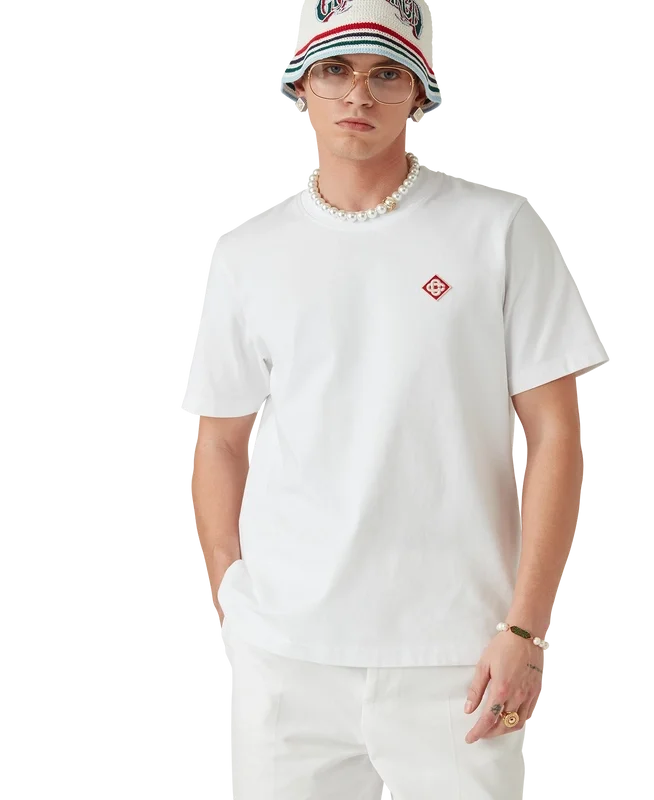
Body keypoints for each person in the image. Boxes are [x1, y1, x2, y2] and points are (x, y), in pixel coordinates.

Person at [183, 1, 609, 797]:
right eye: (334, 70)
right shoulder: (246, 252)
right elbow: (220, 439)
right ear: (298, 85)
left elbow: (554, 435)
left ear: (420, 93)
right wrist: (230, 597)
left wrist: (526, 628)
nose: (358, 95)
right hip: (286, 657)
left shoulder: (499, 228)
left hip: (458, 655)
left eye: (386, 73)